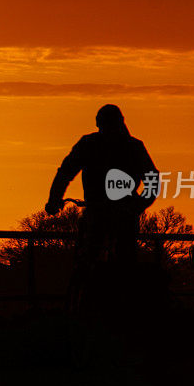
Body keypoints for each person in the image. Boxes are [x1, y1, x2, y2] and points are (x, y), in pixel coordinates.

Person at [45, 104, 157, 267]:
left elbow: (65, 174)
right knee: (125, 260)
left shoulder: (89, 144)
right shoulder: (133, 146)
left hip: (103, 212)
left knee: (90, 258)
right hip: (122, 212)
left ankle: (89, 283)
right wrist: (138, 206)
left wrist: (54, 200)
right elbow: (153, 180)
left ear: (98, 123)